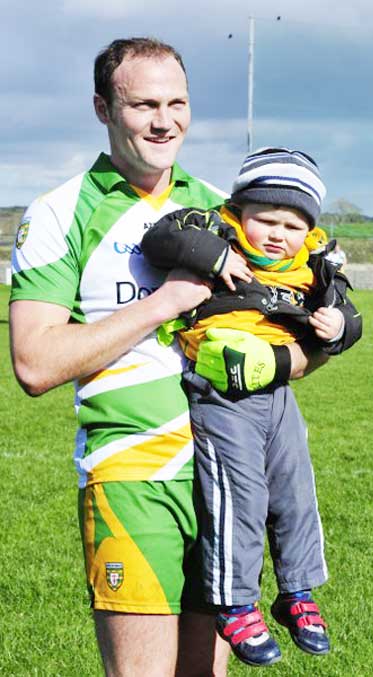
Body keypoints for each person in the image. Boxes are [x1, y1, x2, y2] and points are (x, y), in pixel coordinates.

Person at [8, 39, 327, 677]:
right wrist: (165, 302)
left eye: (177, 103)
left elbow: (302, 338)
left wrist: (287, 361)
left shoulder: (223, 208)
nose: (164, 121)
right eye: (143, 104)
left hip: (226, 477)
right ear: (103, 108)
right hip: (133, 477)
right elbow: (34, 363)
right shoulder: (59, 213)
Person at [141, 147, 363, 667]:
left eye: (291, 223)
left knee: (295, 490)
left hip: (278, 395)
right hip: (221, 395)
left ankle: (297, 592)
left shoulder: (314, 264)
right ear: (240, 211)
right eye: (264, 218)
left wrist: (338, 327)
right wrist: (215, 258)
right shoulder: (212, 232)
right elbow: (160, 239)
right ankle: (234, 602)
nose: (276, 233)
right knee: (238, 496)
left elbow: (350, 314)